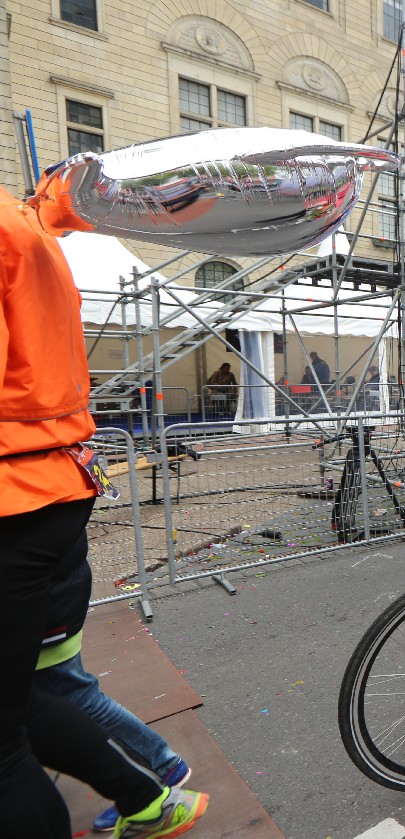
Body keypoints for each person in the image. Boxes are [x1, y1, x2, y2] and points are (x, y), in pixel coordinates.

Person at [2, 184, 209, 837]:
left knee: (53, 693)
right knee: (41, 696)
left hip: (24, 499)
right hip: (46, 493)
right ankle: (149, 786)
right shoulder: (25, 225)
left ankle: (156, 776)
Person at [34, 552, 193, 833]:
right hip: (47, 597)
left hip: (42, 604)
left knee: (75, 698)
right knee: (68, 697)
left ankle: (155, 777)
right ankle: (157, 772)